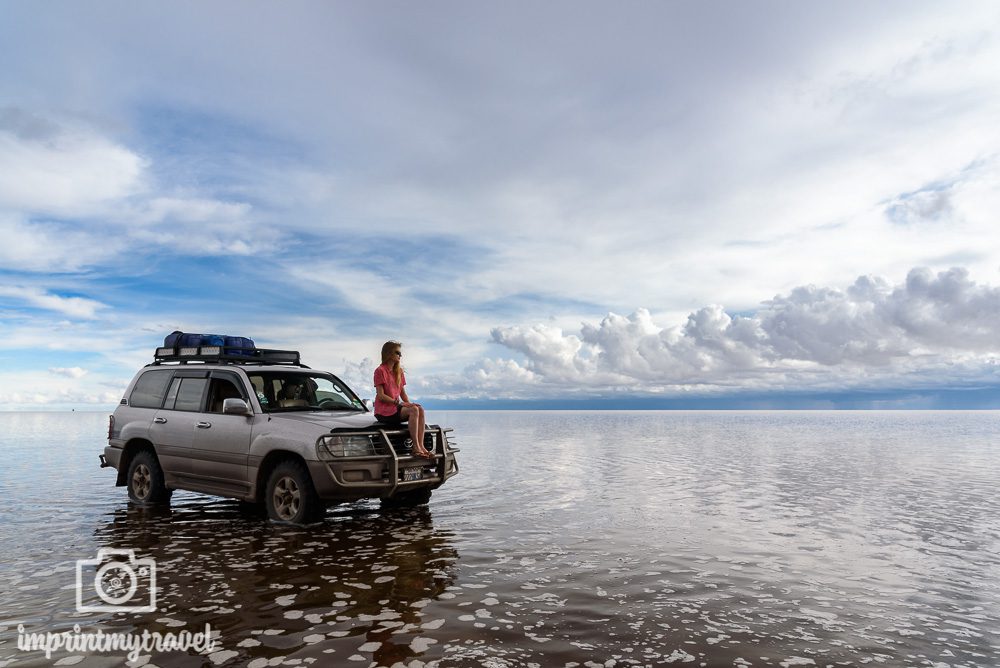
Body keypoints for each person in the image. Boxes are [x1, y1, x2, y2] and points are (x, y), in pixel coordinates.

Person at [373, 340, 434, 459]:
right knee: (413, 411)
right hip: (383, 411)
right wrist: (399, 403)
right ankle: (415, 448)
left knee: (419, 408)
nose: (400, 356)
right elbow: (381, 395)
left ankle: (421, 446)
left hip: (396, 407)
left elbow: (402, 393)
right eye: (397, 353)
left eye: (400, 353)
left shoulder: (399, 372)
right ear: (389, 353)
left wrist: (409, 404)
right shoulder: (380, 371)